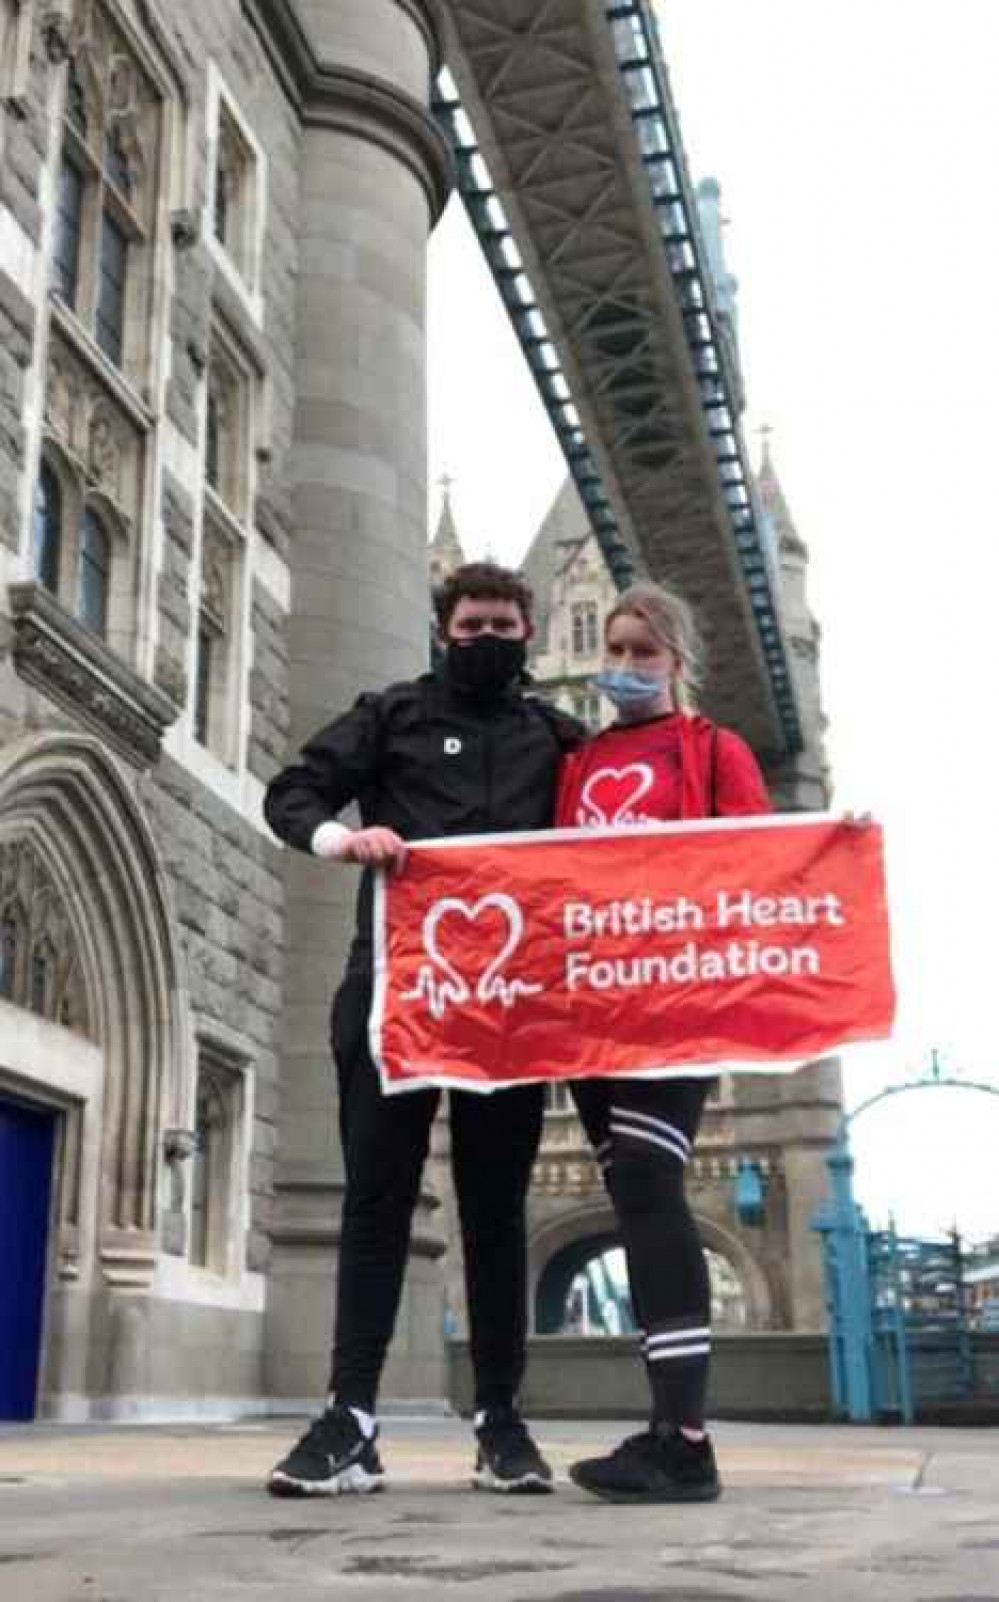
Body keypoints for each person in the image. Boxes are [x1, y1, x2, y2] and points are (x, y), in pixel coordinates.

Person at [263, 561, 582, 1497]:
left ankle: (501, 1424)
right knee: (375, 1207)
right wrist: (343, 840)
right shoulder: (391, 714)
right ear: (443, 630)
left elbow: (642, 839)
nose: (488, 639)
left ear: (529, 633)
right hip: (391, 998)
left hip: (508, 1016)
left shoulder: (559, 738)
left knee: (493, 1217)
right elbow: (294, 792)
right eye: (472, 624)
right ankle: (349, 1422)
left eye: (504, 626)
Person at [555, 581, 771, 1504]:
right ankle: (666, 1432)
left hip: (678, 1004)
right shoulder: (580, 761)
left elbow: (765, 860)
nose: (627, 665)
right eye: (615, 648)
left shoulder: (716, 750)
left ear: (677, 660)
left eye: (645, 650)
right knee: (635, 1192)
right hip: (592, 1007)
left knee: (647, 1185)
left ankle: (684, 1438)